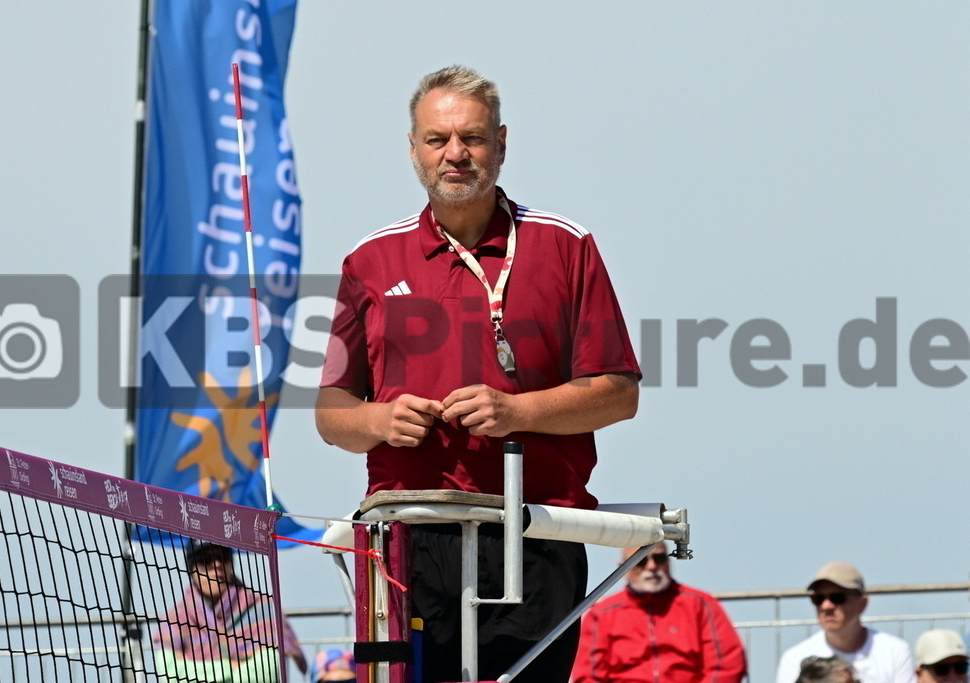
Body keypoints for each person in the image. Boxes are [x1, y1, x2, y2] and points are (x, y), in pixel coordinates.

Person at [316, 64, 641, 683]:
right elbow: (331, 414)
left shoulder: (565, 246)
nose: (456, 154)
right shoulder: (369, 260)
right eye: (438, 139)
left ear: (502, 143)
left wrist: (516, 411)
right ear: (413, 148)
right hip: (406, 536)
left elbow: (618, 393)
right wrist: (380, 419)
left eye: (473, 137)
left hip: (533, 528)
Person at [571, 542, 747, 682]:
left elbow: (727, 664)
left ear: (669, 562)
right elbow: (588, 675)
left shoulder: (700, 605)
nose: (652, 566)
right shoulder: (602, 615)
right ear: (622, 569)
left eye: (660, 558)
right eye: (640, 561)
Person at [153, 541, 307, 682]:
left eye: (223, 556)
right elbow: (169, 674)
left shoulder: (263, 608)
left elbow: (268, 668)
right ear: (191, 568)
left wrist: (195, 671)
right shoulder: (176, 618)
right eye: (205, 559)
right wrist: (228, 668)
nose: (217, 564)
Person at [775, 561, 915, 683]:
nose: (826, 606)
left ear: (863, 603)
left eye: (837, 597)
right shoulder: (794, 659)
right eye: (818, 598)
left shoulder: (895, 651)